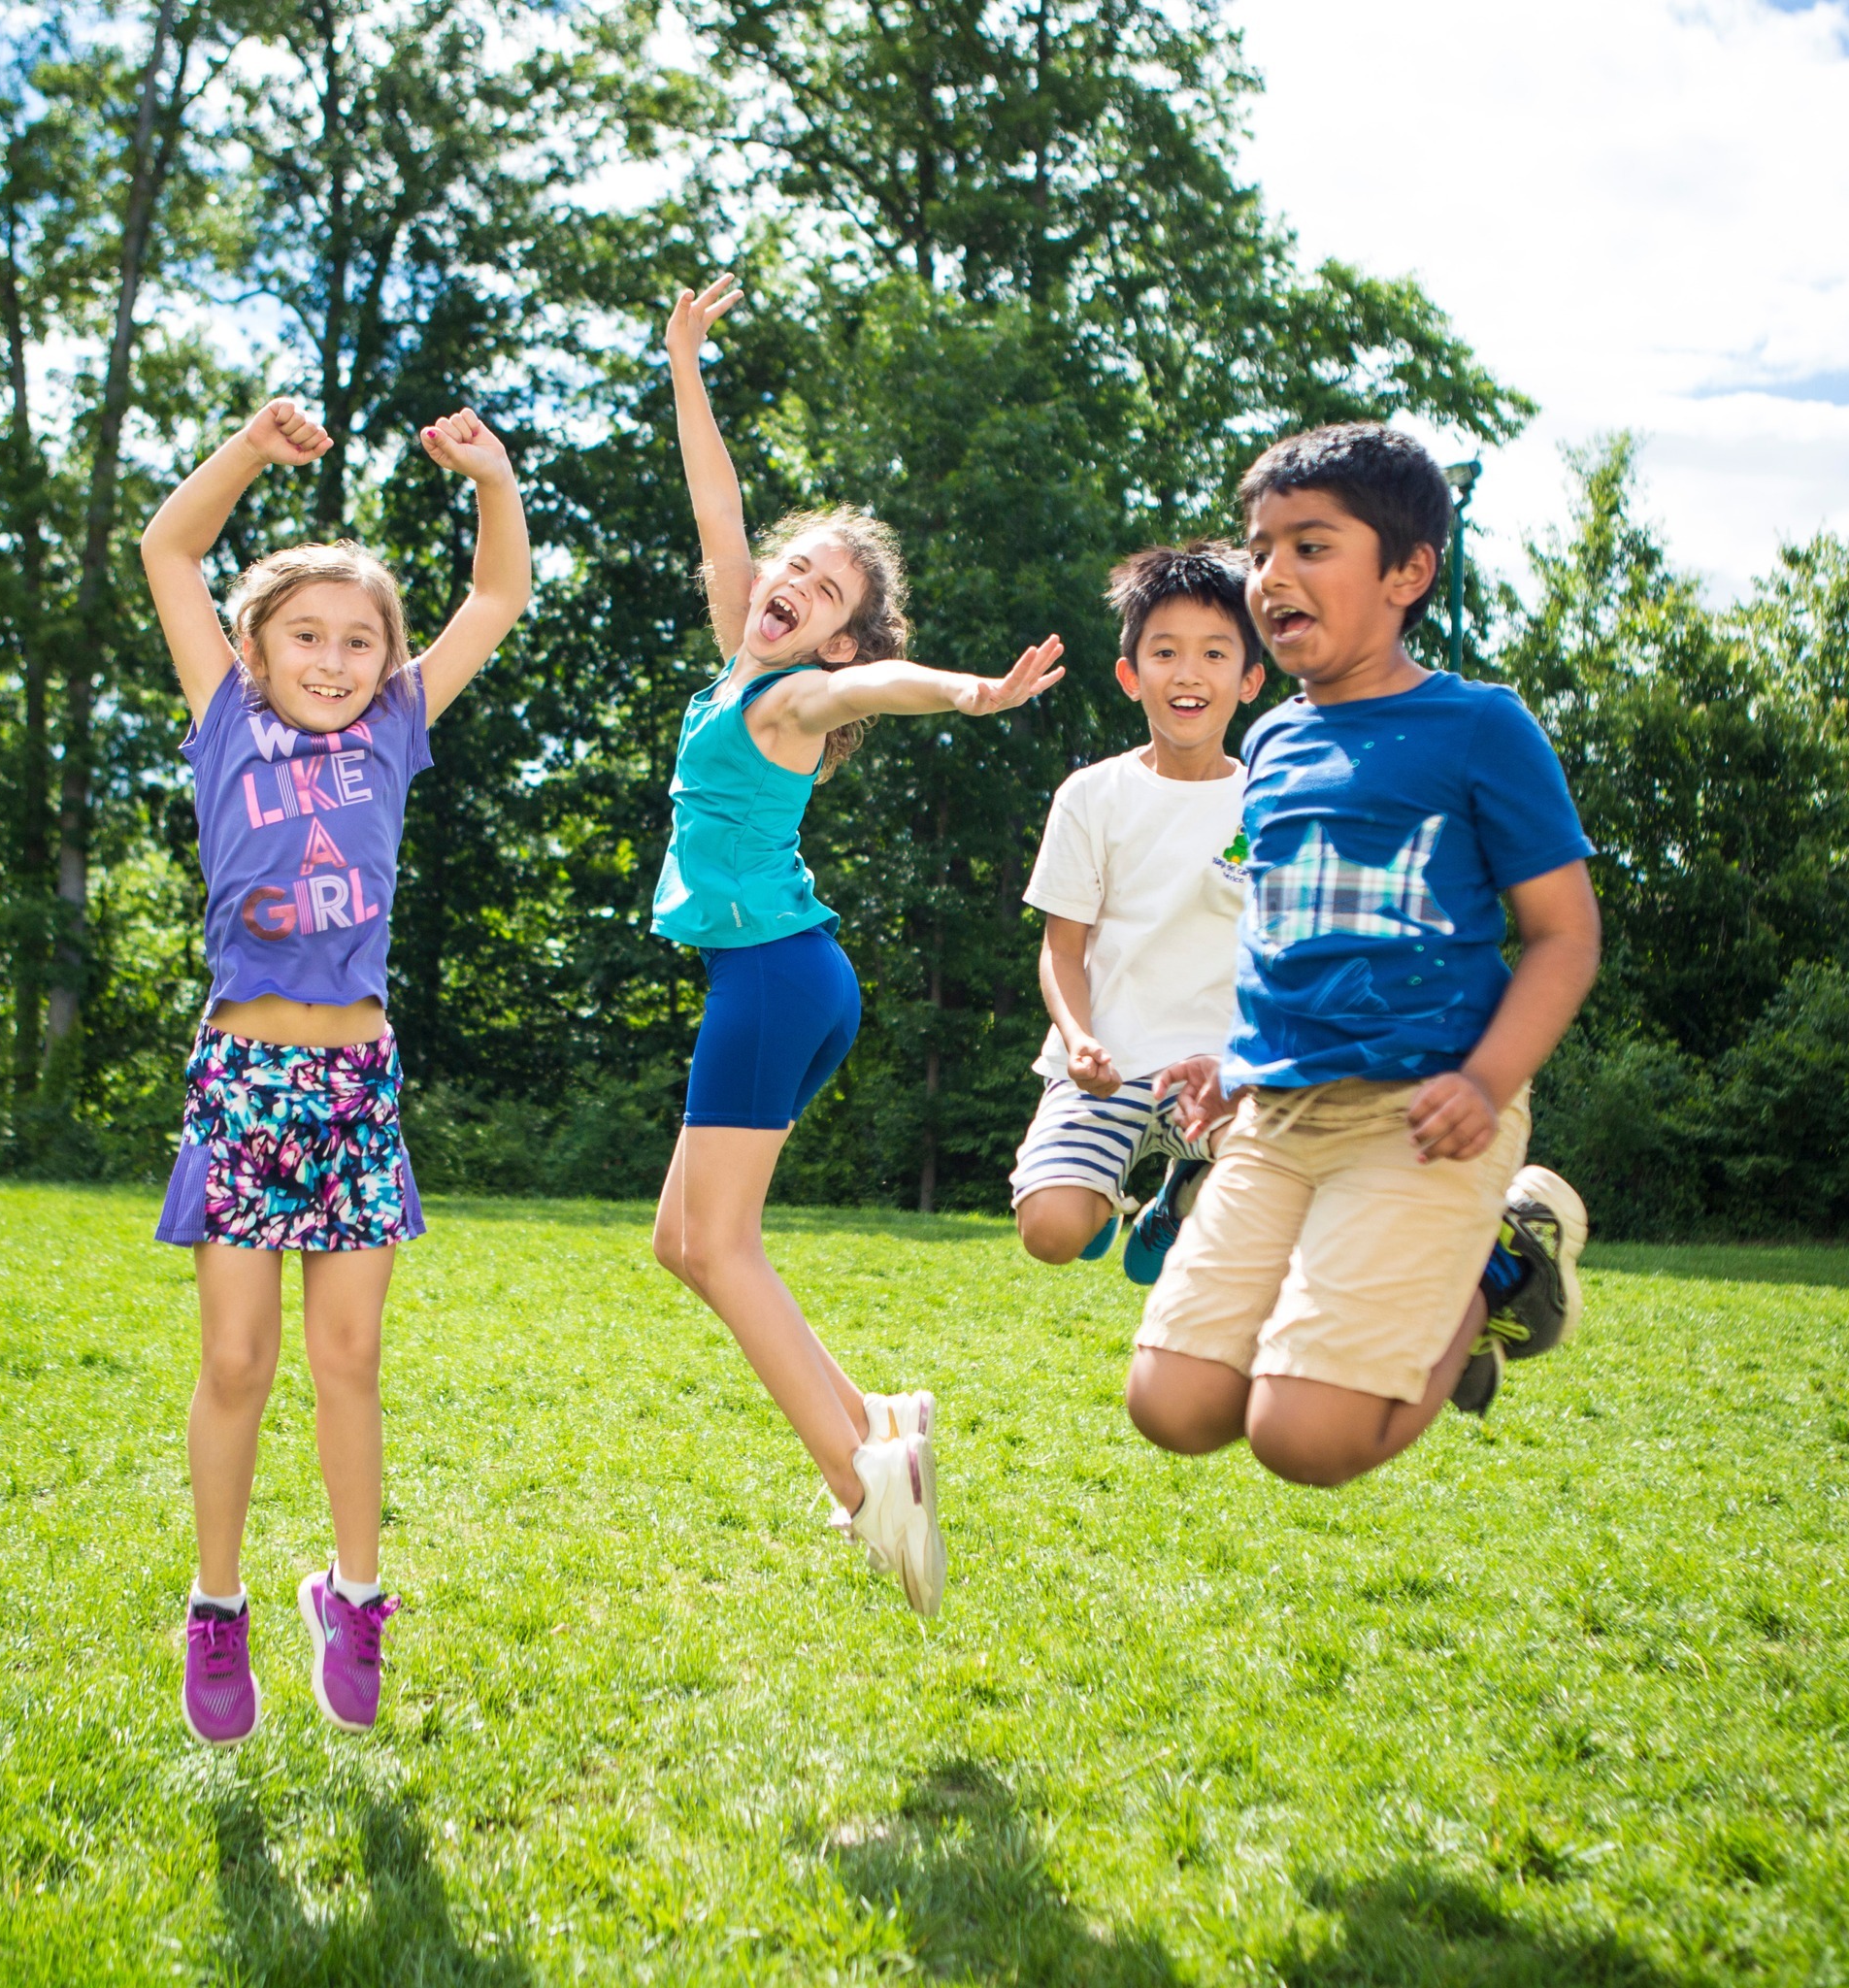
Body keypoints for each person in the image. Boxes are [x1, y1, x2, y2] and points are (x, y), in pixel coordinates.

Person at [649, 276, 1064, 1617]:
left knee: (720, 1247)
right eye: (793, 567)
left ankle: (865, 1482)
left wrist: (967, 691)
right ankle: (877, 1413)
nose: (792, 586)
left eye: (825, 591)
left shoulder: (802, 698)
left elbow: (881, 685)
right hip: (783, 979)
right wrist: (686, 362)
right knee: (686, 1238)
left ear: (836, 631)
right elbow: (718, 505)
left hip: (776, 981)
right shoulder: (739, 657)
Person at [141, 397, 530, 1742]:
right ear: (253, 650)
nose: (334, 655)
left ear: (388, 661)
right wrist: (249, 452)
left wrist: (490, 476)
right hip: (245, 1079)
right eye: (306, 633)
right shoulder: (224, 721)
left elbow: (498, 590)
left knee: (349, 1358)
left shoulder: (394, 730)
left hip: (356, 1087)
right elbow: (168, 552)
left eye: (360, 637)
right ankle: (216, 1609)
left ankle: (354, 1597)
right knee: (239, 1361)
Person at [1128, 422, 1599, 1484]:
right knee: (1172, 1405)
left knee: (1306, 1439)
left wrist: (1486, 1080)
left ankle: (1497, 1265)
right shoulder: (1274, 742)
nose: (1270, 575)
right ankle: (1421, 1292)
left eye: (1309, 544)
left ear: (1407, 571)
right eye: (1259, 549)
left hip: (1424, 1112)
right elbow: (1286, 930)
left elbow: (1563, 935)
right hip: (1278, 1113)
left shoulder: (1479, 726)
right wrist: (1231, 1058)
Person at [1010, 542, 1264, 1287]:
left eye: (1215, 653)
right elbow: (1062, 948)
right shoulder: (1090, 796)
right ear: (1131, 675)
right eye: (1165, 652)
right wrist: (1080, 1040)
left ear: (1250, 678)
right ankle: (1102, 1195)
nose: (1188, 672)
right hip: (1107, 1069)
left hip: (1220, 1076)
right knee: (1052, 1232)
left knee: (1280, 1191)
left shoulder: (1271, 802)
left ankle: (1182, 1196)